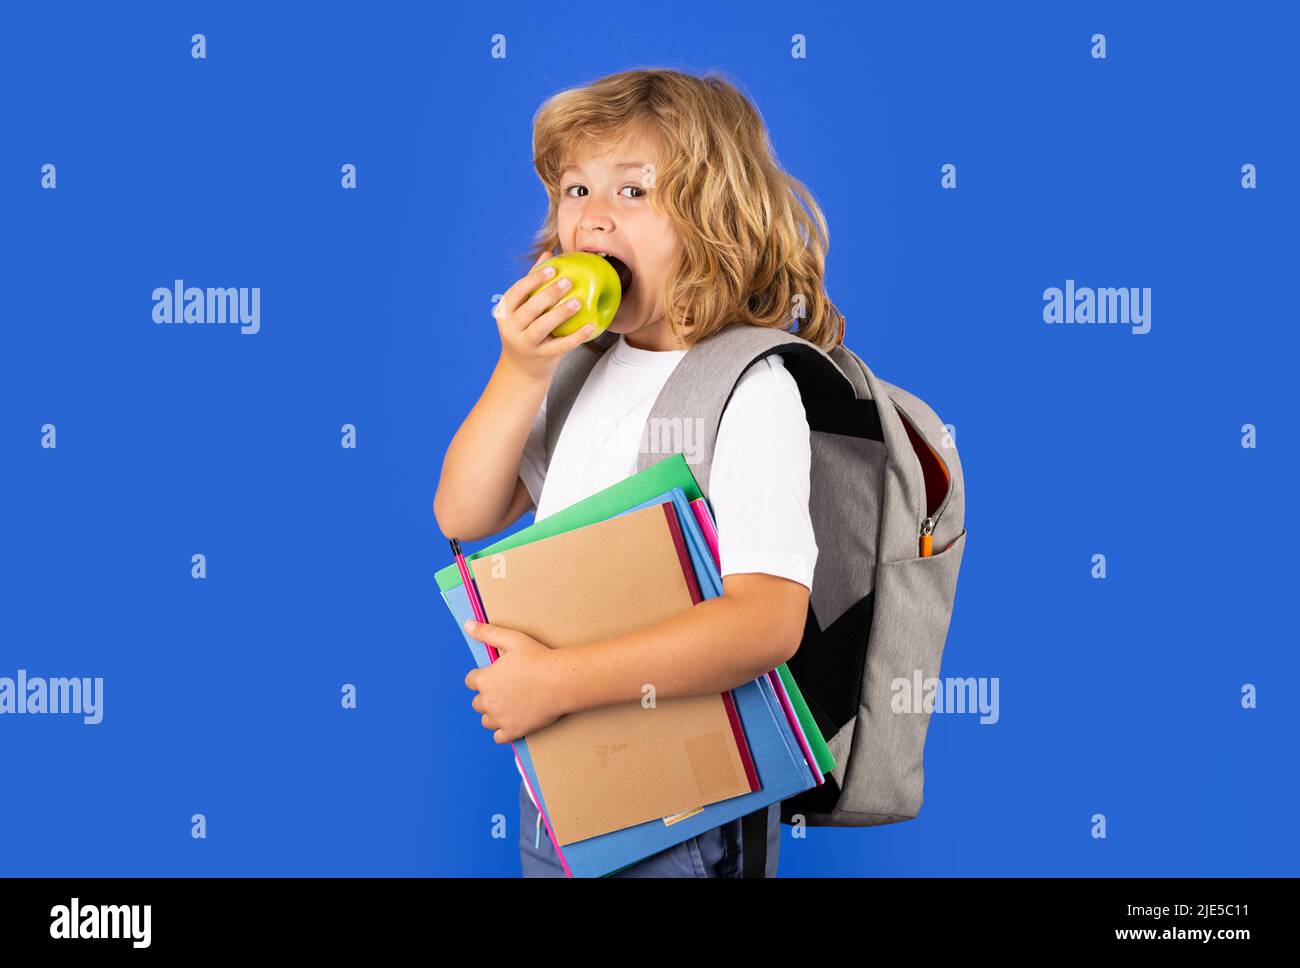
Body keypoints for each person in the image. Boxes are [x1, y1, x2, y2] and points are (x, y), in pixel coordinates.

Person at [434, 67, 844, 877]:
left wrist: (556, 683)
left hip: (680, 814)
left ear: (714, 217)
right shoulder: (579, 371)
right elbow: (463, 513)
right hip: (567, 793)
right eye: (575, 189)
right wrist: (518, 372)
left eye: (633, 192)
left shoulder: (749, 389)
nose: (591, 218)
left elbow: (764, 623)